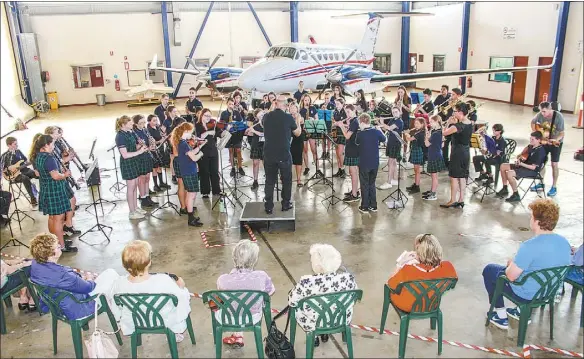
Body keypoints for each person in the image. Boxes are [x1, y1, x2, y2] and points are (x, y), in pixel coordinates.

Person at [482, 199, 571, 329]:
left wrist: (511, 264)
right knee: (532, 272)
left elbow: (511, 276)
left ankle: (501, 316)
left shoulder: (529, 246)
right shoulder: (564, 242)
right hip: (548, 291)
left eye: (532, 217)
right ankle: (519, 312)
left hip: (527, 295)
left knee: (490, 270)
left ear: (537, 222)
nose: (530, 219)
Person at [111, 240, 192, 340]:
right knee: (176, 301)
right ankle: (174, 334)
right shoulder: (163, 280)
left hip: (135, 321)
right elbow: (181, 299)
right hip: (164, 320)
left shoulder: (119, 283)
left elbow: (116, 305)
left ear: (124, 265)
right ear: (149, 262)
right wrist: (182, 287)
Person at [30, 233, 119, 319]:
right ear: (51, 254)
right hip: (78, 307)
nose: (60, 246)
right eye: (57, 246)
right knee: (111, 274)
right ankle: (119, 314)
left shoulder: (35, 265)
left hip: (57, 306)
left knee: (111, 283)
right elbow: (88, 287)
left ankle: (116, 310)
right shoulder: (62, 275)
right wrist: (89, 279)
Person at [288, 244, 357, 347]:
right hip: (340, 319)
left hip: (314, 322)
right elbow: (355, 296)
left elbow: (292, 301)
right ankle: (332, 333)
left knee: (302, 309)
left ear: (317, 266)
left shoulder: (306, 282)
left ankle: (314, 337)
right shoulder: (348, 279)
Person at [216, 240, 275, 347]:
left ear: (234, 258)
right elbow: (270, 291)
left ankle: (236, 335)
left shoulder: (223, 279)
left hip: (229, 317)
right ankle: (238, 335)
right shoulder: (261, 276)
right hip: (252, 317)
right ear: (255, 259)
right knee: (244, 304)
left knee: (235, 305)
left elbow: (223, 297)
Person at [30, 135, 77, 252]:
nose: (53, 146)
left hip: (46, 188)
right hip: (55, 189)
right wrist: (65, 175)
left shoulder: (38, 156)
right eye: (51, 144)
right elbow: (55, 176)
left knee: (52, 218)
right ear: (45, 145)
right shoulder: (49, 158)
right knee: (58, 219)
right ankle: (61, 246)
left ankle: (55, 242)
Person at [388, 234, 457, 312]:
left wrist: (400, 264)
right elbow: (451, 285)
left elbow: (390, 285)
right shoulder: (448, 266)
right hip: (432, 305)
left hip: (408, 306)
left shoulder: (408, 269)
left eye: (417, 250)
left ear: (420, 253)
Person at [263, 95, 301, 214]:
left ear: (275, 104)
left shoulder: (266, 116)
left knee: (270, 181)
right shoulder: (288, 118)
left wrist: (272, 108)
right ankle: (285, 204)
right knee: (286, 180)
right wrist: (298, 121)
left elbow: (264, 122)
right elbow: (297, 133)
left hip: (269, 154)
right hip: (283, 154)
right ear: (285, 106)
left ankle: (269, 206)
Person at [44, 127, 80, 238]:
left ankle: (68, 224)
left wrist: (67, 156)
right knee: (55, 215)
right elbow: (56, 164)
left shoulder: (57, 144)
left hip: (62, 177)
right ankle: (57, 237)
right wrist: (66, 159)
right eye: (57, 133)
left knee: (72, 200)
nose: (59, 134)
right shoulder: (48, 149)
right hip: (56, 181)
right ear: (50, 135)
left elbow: (59, 159)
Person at [440, 102, 473, 209]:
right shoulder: (469, 123)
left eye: (455, 111)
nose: (453, 113)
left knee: (454, 177)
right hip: (466, 152)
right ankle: (461, 200)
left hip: (457, 153)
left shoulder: (458, 126)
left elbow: (444, 133)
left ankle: (453, 200)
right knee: (462, 177)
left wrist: (448, 123)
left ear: (460, 112)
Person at [496, 132, 546, 203]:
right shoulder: (530, 146)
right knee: (503, 166)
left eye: (533, 139)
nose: (530, 141)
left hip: (532, 171)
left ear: (539, 140)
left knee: (509, 174)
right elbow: (523, 154)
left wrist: (521, 164)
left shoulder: (540, 151)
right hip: (523, 166)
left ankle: (516, 194)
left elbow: (533, 168)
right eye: (530, 139)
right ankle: (505, 188)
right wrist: (519, 157)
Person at [115, 116, 148, 220]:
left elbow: (133, 146)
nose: (132, 125)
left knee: (135, 185)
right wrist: (140, 151)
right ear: (123, 125)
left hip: (134, 160)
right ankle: (131, 212)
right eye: (129, 124)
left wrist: (140, 146)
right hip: (127, 163)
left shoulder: (130, 132)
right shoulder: (120, 136)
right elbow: (124, 154)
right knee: (131, 187)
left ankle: (135, 207)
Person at [530, 101, 565, 197]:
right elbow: (533, 123)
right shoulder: (539, 115)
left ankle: (554, 186)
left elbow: (562, 133)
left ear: (550, 109)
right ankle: (541, 183)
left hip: (555, 143)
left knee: (554, 164)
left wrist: (555, 140)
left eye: (544, 111)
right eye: (541, 111)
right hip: (544, 141)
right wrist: (538, 133)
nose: (542, 113)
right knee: (541, 161)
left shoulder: (558, 117)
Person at [174, 122, 205, 227]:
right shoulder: (183, 144)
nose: (192, 135)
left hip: (187, 171)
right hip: (189, 171)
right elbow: (194, 157)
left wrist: (201, 145)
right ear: (185, 131)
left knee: (190, 194)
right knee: (192, 195)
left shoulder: (182, 143)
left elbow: (191, 152)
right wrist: (201, 154)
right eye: (190, 132)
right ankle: (191, 218)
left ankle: (190, 215)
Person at [356, 113, 385, 212]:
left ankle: (364, 206)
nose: (359, 125)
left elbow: (357, 142)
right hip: (375, 162)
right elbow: (384, 139)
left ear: (363, 122)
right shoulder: (376, 132)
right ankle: (373, 205)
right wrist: (379, 129)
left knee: (364, 184)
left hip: (364, 163)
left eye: (359, 123)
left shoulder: (360, 133)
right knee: (371, 183)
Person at [194, 108, 225, 198]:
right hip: (203, 152)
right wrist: (207, 132)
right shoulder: (197, 126)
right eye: (206, 115)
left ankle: (216, 190)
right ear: (201, 115)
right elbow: (197, 137)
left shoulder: (213, 124)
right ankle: (205, 191)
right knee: (204, 172)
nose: (208, 118)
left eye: (209, 116)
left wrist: (225, 131)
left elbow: (220, 134)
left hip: (213, 151)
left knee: (214, 171)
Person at [1, 137, 38, 206]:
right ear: (9, 145)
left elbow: (26, 160)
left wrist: (32, 162)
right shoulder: (5, 155)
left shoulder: (18, 151)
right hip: (15, 175)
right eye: (15, 144)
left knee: (38, 174)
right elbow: (2, 167)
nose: (17, 145)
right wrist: (8, 167)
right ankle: (33, 198)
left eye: (16, 144)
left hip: (25, 170)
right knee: (25, 178)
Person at [132, 115, 157, 208]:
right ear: (135, 123)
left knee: (147, 178)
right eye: (141, 123)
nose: (143, 125)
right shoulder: (134, 133)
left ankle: (147, 197)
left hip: (147, 155)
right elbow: (133, 147)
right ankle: (143, 198)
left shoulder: (145, 130)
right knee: (142, 179)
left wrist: (152, 143)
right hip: (140, 157)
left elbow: (149, 141)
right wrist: (139, 145)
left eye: (144, 123)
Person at [377, 106, 403, 190]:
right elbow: (385, 128)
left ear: (400, 112)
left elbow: (390, 128)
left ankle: (388, 182)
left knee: (390, 163)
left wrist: (382, 122)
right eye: (393, 112)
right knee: (394, 162)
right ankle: (395, 179)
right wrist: (379, 122)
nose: (394, 113)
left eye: (396, 112)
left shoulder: (399, 121)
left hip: (395, 143)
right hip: (391, 142)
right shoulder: (393, 120)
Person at [339, 104, 360, 202]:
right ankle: (354, 190)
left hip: (354, 150)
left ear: (353, 111)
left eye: (348, 112)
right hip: (351, 148)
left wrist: (341, 125)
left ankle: (355, 194)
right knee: (353, 172)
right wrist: (346, 124)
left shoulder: (355, 121)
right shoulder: (352, 121)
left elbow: (347, 136)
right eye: (346, 112)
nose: (347, 114)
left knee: (353, 172)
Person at [220, 97, 246, 177]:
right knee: (230, 151)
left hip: (237, 134)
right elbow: (221, 124)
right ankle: (232, 168)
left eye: (232, 104)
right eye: (229, 104)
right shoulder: (223, 113)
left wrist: (236, 124)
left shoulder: (236, 112)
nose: (231, 105)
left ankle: (240, 167)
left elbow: (241, 123)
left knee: (238, 150)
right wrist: (226, 126)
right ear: (227, 104)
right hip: (228, 134)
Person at [423, 115, 446, 201]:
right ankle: (432, 190)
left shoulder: (436, 133)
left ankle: (433, 194)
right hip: (436, 154)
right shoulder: (439, 131)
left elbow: (426, 144)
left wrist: (426, 134)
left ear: (436, 122)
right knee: (433, 176)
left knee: (434, 176)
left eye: (431, 122)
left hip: (434, 156)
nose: (430, 123)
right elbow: (442, 145)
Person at [147, 114, 171, 192]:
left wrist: (164, 137)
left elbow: (161, 136)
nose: (156, 122)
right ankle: (155, 185)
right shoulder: (148, 130)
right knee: (155, 168)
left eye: (156, 120)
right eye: (154, 120)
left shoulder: (157, 127)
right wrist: (159, 141)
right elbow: (150, 142)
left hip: (160, 149)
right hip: (153, 151)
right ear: (149, 121)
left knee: (160, 167)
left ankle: (161, 183)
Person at [441, 88, 462, 167]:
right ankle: (444, 162)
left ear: (458, 95)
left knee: (454, 145)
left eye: (453, 94)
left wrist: (453, 107)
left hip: (455, 127)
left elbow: (460, 117)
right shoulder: (450, 102)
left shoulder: (460, 104)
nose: (451, 96)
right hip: (448, 124)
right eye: (451, 94)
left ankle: (453, 162)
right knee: (445, 144)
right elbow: (446, 113)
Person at [404, 118, 426, 194]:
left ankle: (417, 186)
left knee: (417, 170)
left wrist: (406, 134)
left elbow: (409, 139)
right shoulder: (418, 131)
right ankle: (416, 184)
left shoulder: (420, 133)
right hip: (415, 149)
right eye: (415, 123)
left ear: (422, 124)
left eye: (417, 124)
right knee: (416, 170)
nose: (415, 125)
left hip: (418, 150)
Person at [300, 94, 318, 176]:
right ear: (303, 101)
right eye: (305, 100)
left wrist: (313, 119)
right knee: (305, 150)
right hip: (303, 131)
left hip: (312, 131)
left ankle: (317, 168)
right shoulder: (300, 110)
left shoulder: (313, 108)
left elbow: (317, 119)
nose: (307, 102)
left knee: (314, 150)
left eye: (308, 100)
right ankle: (307, 167)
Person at [288, 102, 306, 187]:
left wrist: (297, 119)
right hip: (289, 139)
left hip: (298, 139)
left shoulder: (300, 117)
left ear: (297, 108)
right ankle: (287, 177)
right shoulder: (287, 117)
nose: (292, 109)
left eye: (294, 107)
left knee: (298, 160)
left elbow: (298, 127)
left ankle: (299, 179)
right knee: (288, 159)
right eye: (290, 108)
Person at [332, 98, 348, 178]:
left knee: (340, 153)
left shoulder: (345, 112)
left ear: (342, 104)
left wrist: (340, 124)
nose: (336, 105)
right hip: (336, 134)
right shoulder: (334, 112)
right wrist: (335, 124)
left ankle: (343, 169)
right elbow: (333, 123)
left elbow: (348, 125)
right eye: (336, 104)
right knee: (337, 154)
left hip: (342, 134)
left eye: (338, 104)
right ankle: (339, 170)